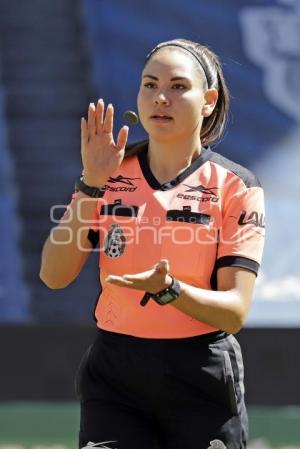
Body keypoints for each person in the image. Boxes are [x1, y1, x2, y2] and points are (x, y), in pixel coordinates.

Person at [40, 38, 265, 449]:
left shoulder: (237, 186)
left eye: (178, 87)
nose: (161, 97)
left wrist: (168, 290)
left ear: (208, 101)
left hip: (202, 375)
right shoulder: (106, 174)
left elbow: (234, 314)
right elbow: (53, 276)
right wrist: (91, 183)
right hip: (115, 376)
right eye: (149, 84)